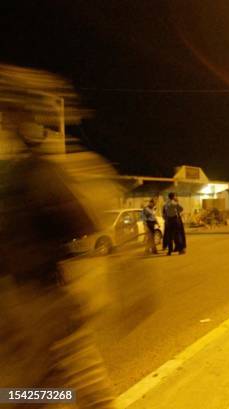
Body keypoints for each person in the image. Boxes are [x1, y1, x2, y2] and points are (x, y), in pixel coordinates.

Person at [0, 64, 115, 408]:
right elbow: (85, 231)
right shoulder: (29, 172)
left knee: (39, 392)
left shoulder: (33, 173)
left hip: (33, 308)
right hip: (32, 308)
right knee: (53, 391)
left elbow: (85, 231)